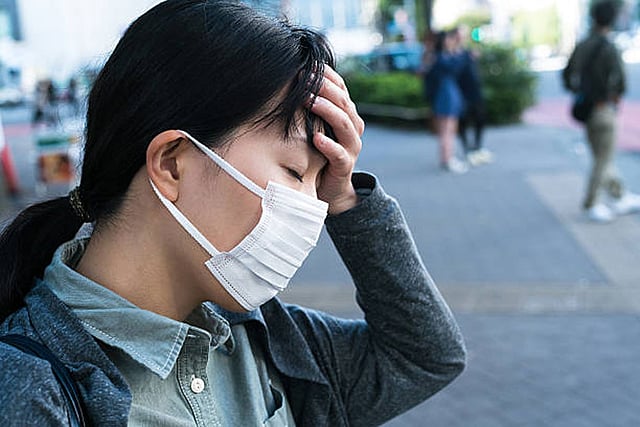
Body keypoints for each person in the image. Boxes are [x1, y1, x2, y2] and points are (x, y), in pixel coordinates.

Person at [0, 1, 466, 425]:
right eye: (294, 171)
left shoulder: (265, 339)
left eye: (320, 183)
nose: (313, 207)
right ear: (172, 164)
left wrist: (347, 200)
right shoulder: (31, 391)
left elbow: (425, 357)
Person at [562, 0, 640, 223]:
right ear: (612, 20)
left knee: (601, 156)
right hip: (604, 109)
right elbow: (621, 82)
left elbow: (567, 75)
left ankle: (619, 194)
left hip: (586, 109)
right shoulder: (610, 47)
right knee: (602, 160)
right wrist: (613, 98)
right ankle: (591, 203)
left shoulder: (582, 45)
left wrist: (578, 92)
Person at [427, 29, 468, 174]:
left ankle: (448, 158)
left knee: (449, 129)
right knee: (447, 130)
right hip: (446, 95)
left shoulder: (439, 57)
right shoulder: (441, 58)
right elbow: (458, 65)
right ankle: (447, 159)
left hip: (447, 94)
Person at [454, 28, 492, 167]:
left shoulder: (467, 52)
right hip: (462, 93)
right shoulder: (455, 53)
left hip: (475, 92)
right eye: (460, 35)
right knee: (463, 122)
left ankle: (477, 147)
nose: (463, 38)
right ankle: (467, 149)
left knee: (480, 119)